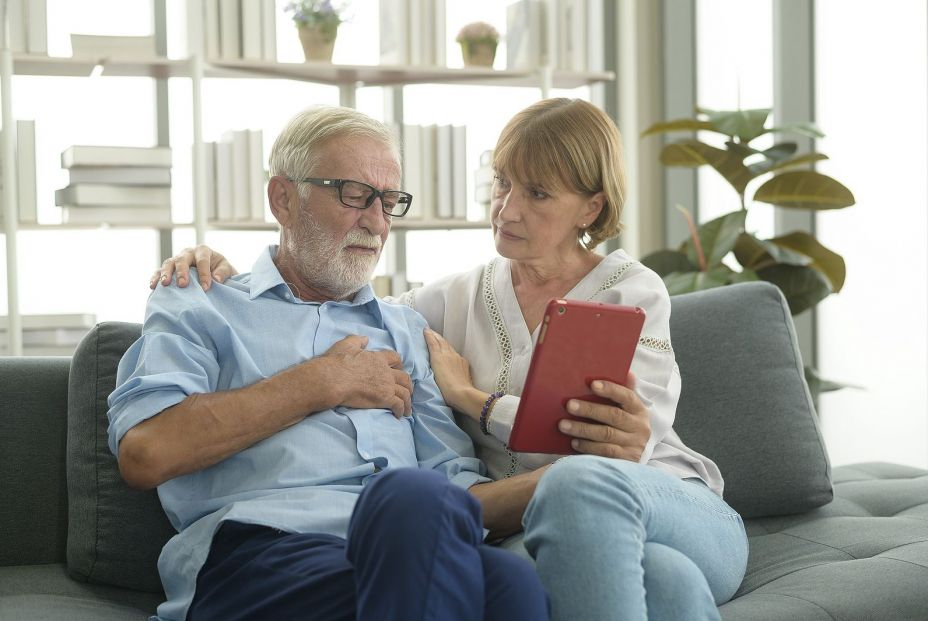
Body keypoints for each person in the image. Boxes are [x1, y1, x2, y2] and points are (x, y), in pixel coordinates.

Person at [154, 98, 750, 620]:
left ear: (589, 209)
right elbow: (327, 302)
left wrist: (474, 402)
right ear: (283, 198)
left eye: (537, 193)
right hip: (534, 521)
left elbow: (615, 454)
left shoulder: (631, 292)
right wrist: (217, 268)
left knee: (575, 487)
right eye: (502, 184)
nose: (507, 210)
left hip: (646, 493)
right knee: (663, 582)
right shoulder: (439, 305)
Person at [110, 105, 551, 621]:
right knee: (420, 507)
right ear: (283, 198)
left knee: (507, 575)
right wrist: (321, 381)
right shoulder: (200, 302)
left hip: (402, 546)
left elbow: (457, 492)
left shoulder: (406, 330)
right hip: (263, 552)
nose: (376, 222)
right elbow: (146, 452)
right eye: (355, 195)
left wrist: (579, 476)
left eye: (389, 202)